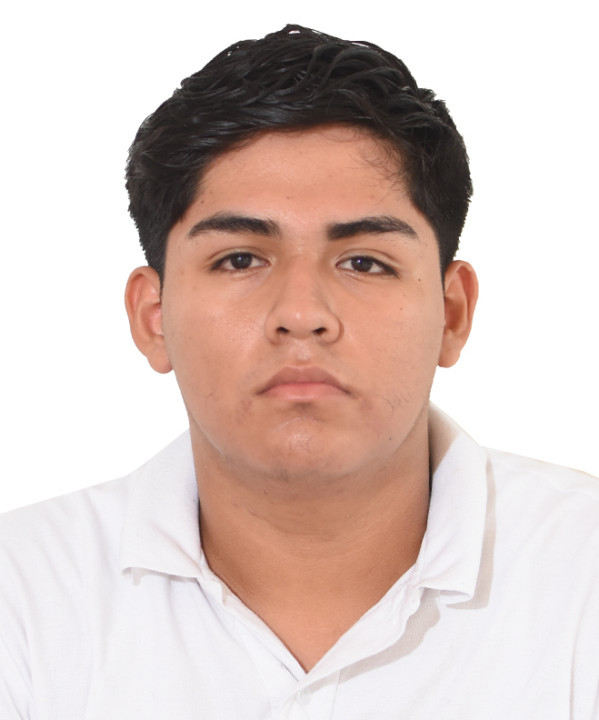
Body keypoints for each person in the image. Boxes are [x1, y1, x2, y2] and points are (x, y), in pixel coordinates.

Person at [0, 24, 597, 719]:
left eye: (364, 262)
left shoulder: (582, 577)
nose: (302, 314)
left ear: (452, 312)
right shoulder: (23, 597)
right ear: (153, 317)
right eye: (239, 259)